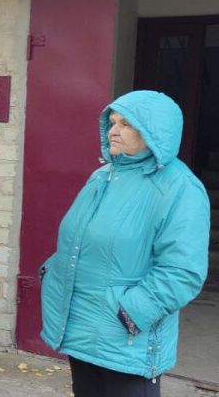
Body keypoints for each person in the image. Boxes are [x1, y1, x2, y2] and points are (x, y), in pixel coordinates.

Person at [40, 90, 209, 397]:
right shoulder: (102, 176)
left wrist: (130, 313)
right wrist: (52, 272)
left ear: (154, 131)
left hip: (127, 342)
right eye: (112, 122)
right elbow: (78, 241)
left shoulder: (180, 188)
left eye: (126, 124)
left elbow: (183, 271)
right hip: (82, 329)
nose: (113, 130)